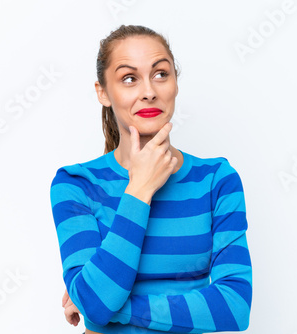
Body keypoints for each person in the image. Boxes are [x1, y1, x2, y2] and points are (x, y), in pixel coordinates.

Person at [50, 24, 252, 334]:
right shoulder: (77, 184)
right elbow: (95, 303)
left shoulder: (216, 180)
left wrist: (112, 309)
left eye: (160, 74)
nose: (149, 91)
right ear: (103, 92)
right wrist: (140, 190)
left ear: (175, 84)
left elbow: (234, 306)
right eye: (129, 78)